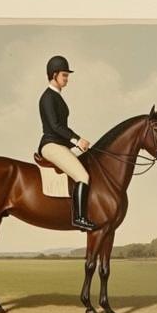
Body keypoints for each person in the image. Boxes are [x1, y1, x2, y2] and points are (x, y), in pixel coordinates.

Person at [38, 55, 98, 231]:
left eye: (67, 76)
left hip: (61, 144)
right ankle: (79, 218)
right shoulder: (48, 97)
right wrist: (77, 140)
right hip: (51, 145)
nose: (67, 79)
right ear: (54, 74)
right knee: (83, 176)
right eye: (64, 75)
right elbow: (55, 126)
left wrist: (77, 145)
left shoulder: (57, 96)